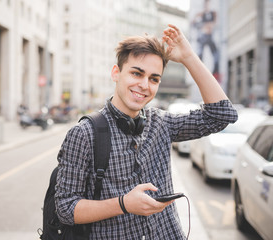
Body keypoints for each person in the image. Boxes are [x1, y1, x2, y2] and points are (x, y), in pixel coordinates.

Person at [55, 24, 238, 239]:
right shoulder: (84, 134)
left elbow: (222, 115)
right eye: (136, 73)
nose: (144, 85)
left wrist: (188, 57)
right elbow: (66, 208)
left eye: (154, 79)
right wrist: (123, 204)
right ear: (116, 73)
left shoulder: (161, 123)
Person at [192, 0, 220, 82]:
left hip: (209, 37)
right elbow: (194, 23)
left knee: (216, 56)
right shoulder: (202, 14)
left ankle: (215, 73)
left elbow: (214, 24)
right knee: (200, 55)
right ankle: (200, 72)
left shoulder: (213, 13)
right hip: (203, 37)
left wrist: (209, 25)